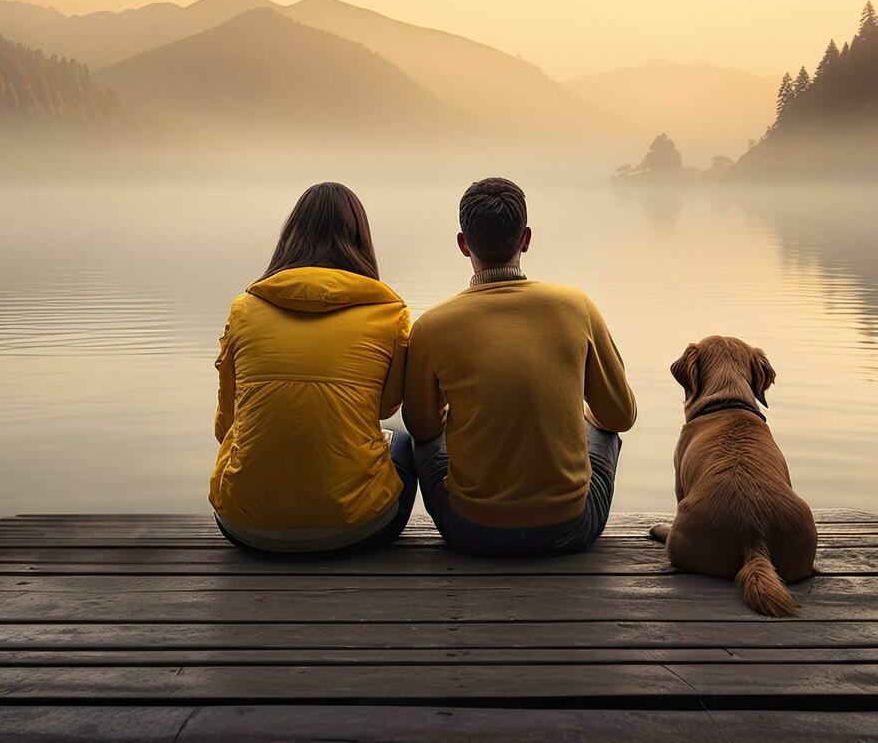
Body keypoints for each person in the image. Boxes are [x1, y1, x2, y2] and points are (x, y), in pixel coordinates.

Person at [403, 177, 636, 555]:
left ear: (464, 244)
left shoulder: (432, 326)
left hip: (471, 532)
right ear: (525, 239)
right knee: (603, 430)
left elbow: (423, 426)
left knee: (421, 441)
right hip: (570, 529)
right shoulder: (576, 306)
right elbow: (621, 415)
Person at [210, 182, 416, 554]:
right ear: (360, 239)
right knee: (402, 440)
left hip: (245, 525)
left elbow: (225, 424)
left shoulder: (245, 308)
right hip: (359, 527)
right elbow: (384, 409)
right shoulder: (389, 312)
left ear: (291, 236)